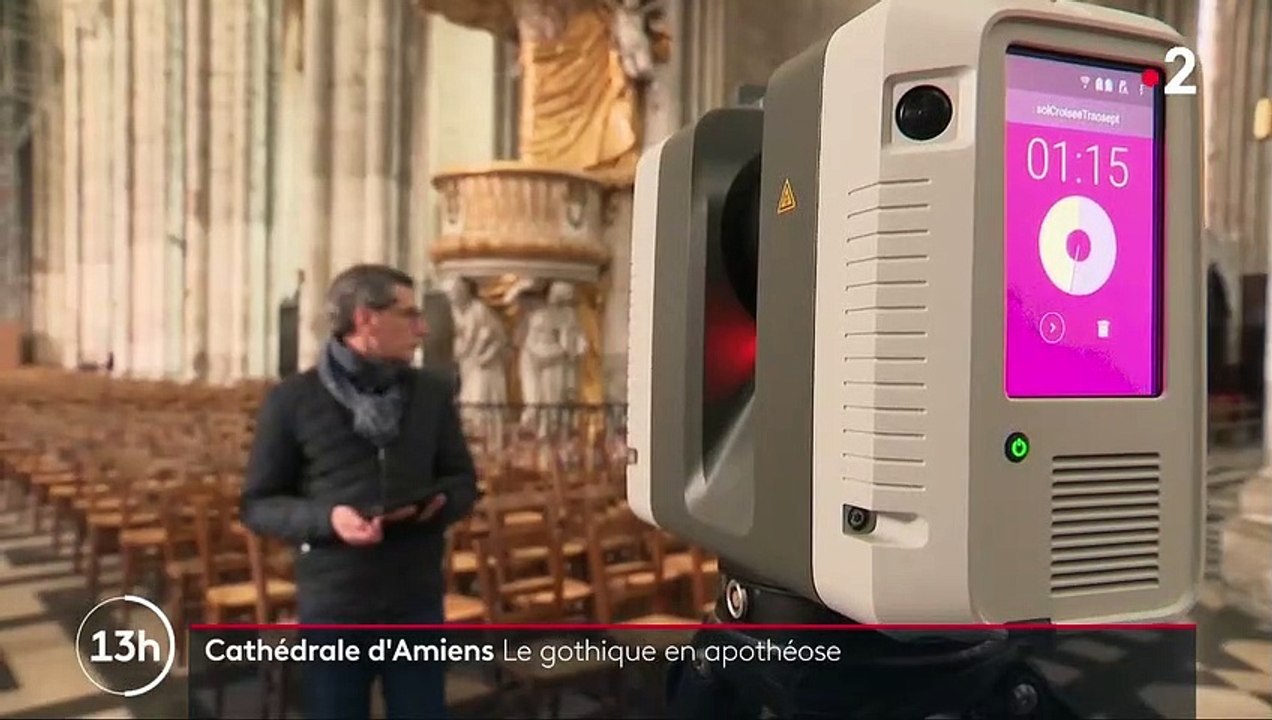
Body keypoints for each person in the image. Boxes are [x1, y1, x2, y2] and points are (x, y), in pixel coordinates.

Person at [239, 264, 478, 719]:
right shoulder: (292, 399)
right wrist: (329, 519)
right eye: (409, 315)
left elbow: (464, 481)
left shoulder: (431, 393)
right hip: (336, 602)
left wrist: (440, 502)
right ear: (367, 319)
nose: (423, 329)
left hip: (414, 597)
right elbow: (258, 505)